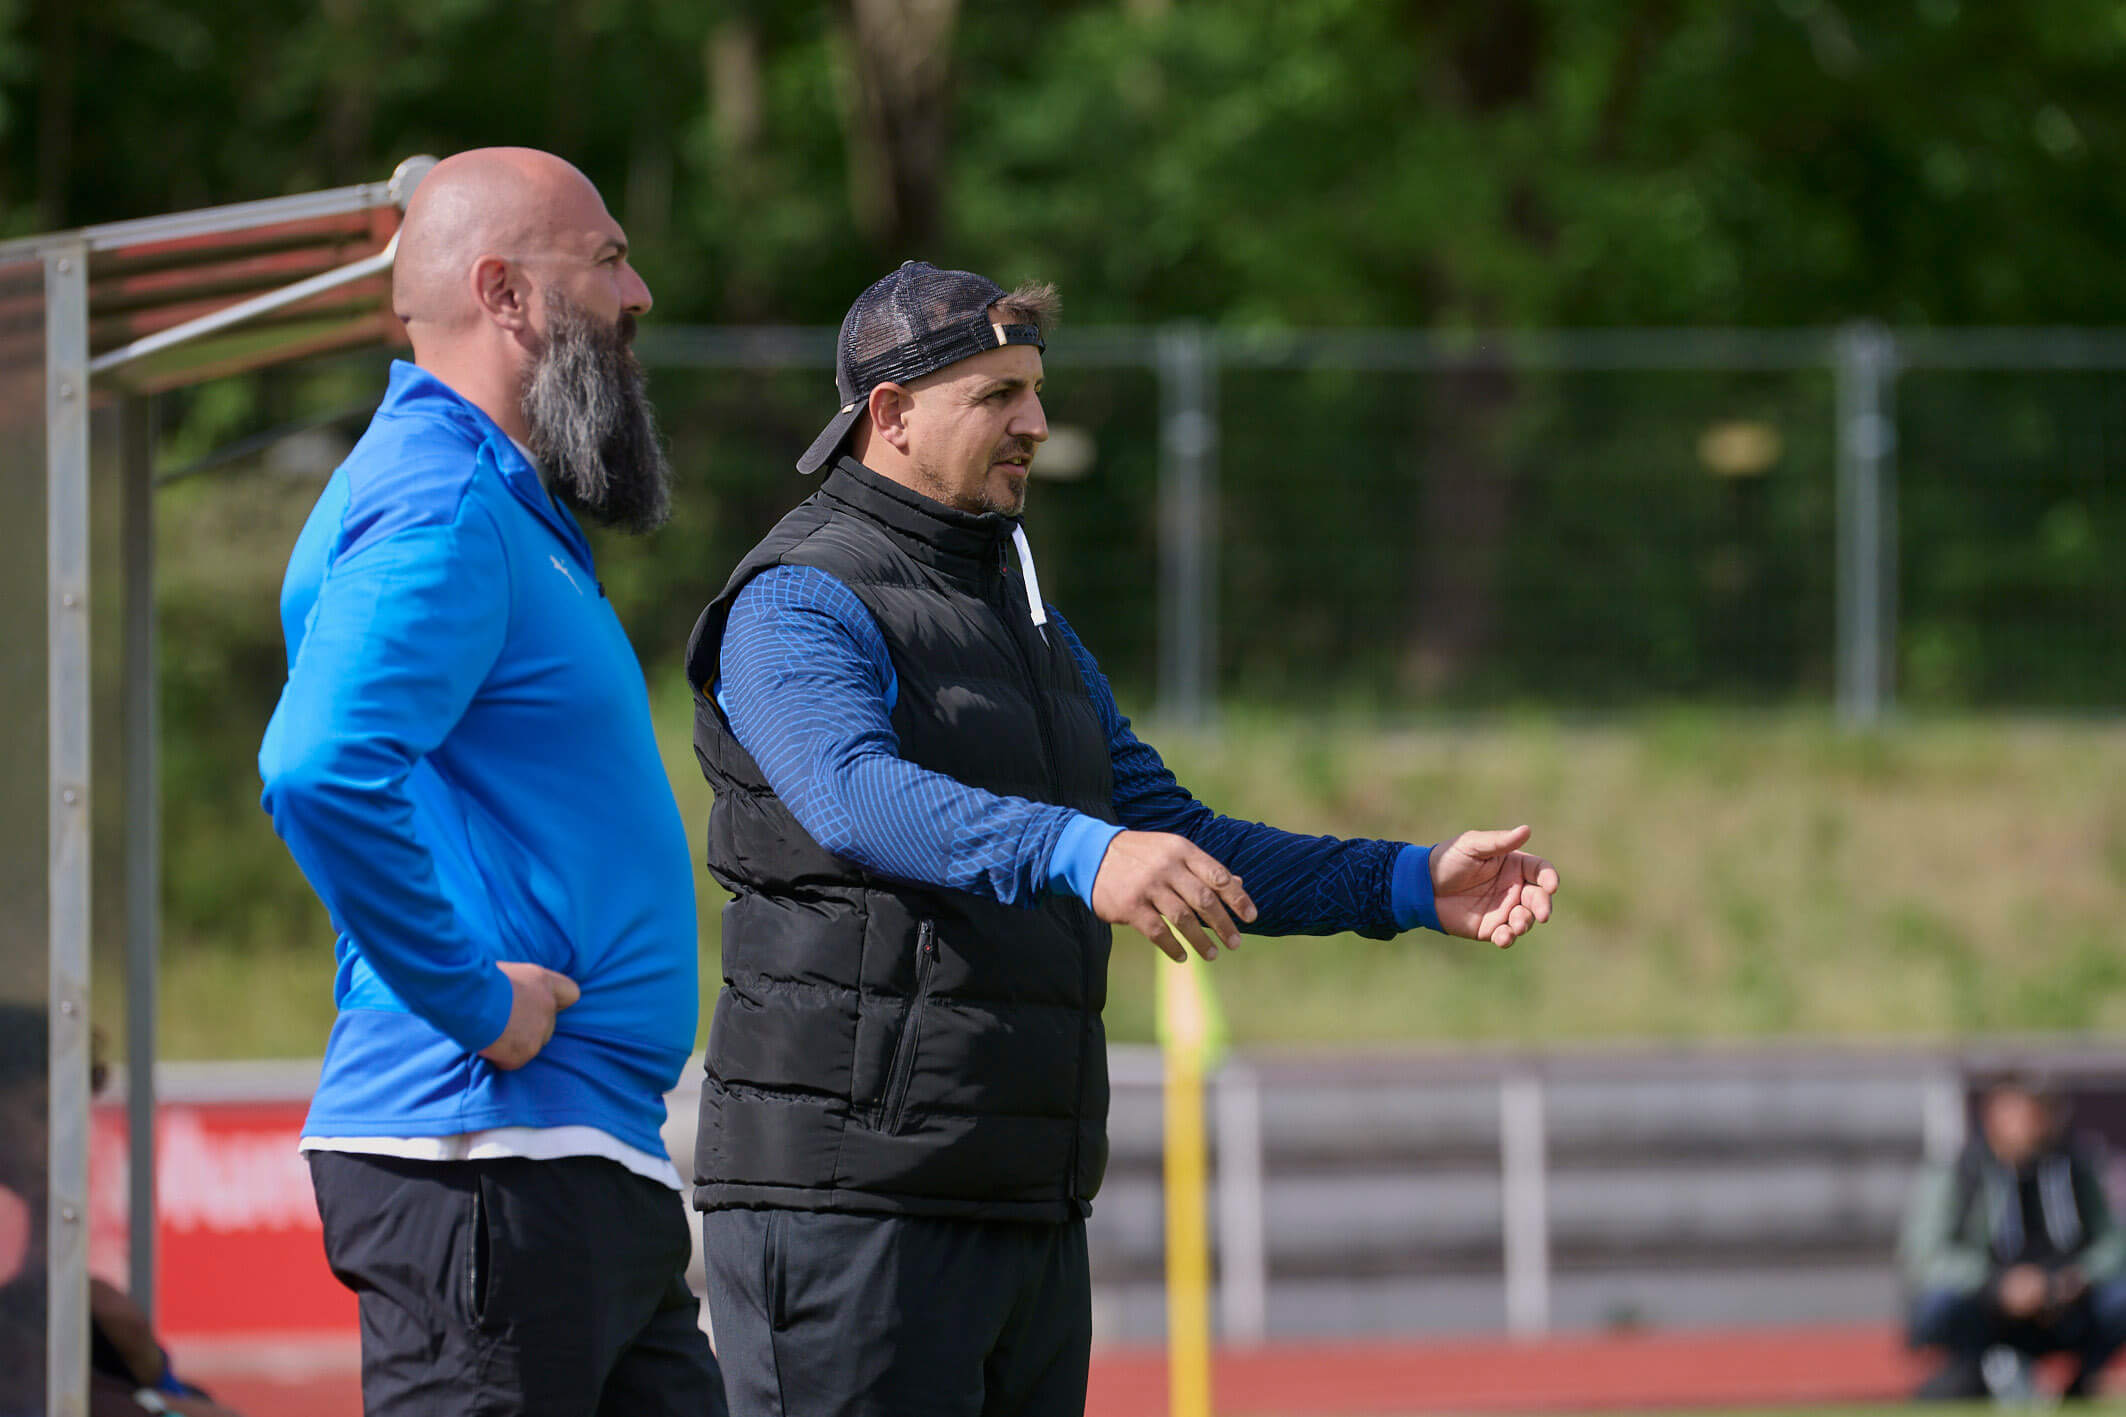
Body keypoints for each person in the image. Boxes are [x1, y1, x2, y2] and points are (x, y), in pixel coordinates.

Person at [683, 261, 1561, 1416]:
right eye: (997, 394)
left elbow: (1172, 834)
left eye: (1035, 390)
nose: (1035, 423)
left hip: (1023, 1204)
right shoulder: (796, 597)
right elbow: (851, 792)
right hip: (851, 1209)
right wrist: (1077, 851)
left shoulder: (1026, 612)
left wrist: (1401, 882)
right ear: (888, 416)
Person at [257, 148, 724, 1417]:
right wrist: (467, 997)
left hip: (568, 1159)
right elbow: (317, 768)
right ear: (506, 294)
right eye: (609, 258)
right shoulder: (443, 495)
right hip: (488, 1153)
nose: (637, 296)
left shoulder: (497, 500)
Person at [1901, 1073, 2126, 1401]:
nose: (2030, 1123)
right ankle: (1972, 1371)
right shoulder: (1960, 1172)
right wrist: (1998, 1285)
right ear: (1993, 1116)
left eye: (2039, 1112)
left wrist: (2078, 1277)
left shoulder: (2076, 1168)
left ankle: (2082, 1382)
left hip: (2064, 1301)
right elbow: (1924, 1256)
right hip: (1986, 1306)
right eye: (2020, 1112)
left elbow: (2113, 1242)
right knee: (1939, 1302)